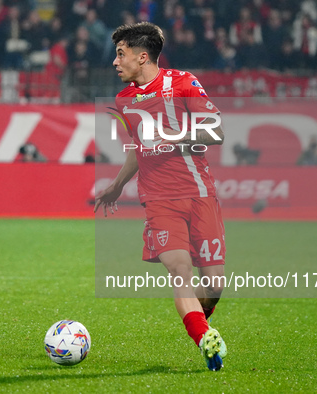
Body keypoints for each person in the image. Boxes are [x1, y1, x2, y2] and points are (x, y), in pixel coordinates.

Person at [95, 22, 227, 371]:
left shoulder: (183, 83)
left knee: (214, 284)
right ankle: (204, 338)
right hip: (158, 200)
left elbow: (216, 130)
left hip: (200, 194)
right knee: (180, 271)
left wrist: (175, 138)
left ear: (142, 56)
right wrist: (118, 184)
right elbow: (139, 149)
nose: (115, 62)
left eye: (121, 54)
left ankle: (200, 319)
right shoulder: (124, 100)